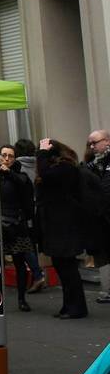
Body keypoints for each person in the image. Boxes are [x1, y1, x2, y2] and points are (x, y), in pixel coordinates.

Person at [36, 139, 91, 319]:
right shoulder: (61, 169)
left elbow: (46, 175)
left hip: (63, 225)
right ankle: (69, 305)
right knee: (62, 266)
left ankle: (76, 307)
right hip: (57, 224)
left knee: (67, 268)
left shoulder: (65, 169)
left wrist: (42, 153)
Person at [0, 145, 36, 311]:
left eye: (10, 156)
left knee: (19, 263)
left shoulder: (20, 175)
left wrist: (9, 173)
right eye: (4, 155)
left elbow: (24, 188)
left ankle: (22, 298)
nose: (7, 159)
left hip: (16, 224)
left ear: (15, 159)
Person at [13, 138, 46, 293]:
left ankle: (38, 274)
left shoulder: (16, 166)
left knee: (24, 245)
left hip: (22, 210)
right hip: (37, 208)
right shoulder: (39, 163)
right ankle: (38, 275)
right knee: (31, 243)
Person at [83, 129, 110, 305]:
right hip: (102, 218)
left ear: (107, 141)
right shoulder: (93, 165)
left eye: (95, 142)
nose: (92, 146)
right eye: (90, 144)